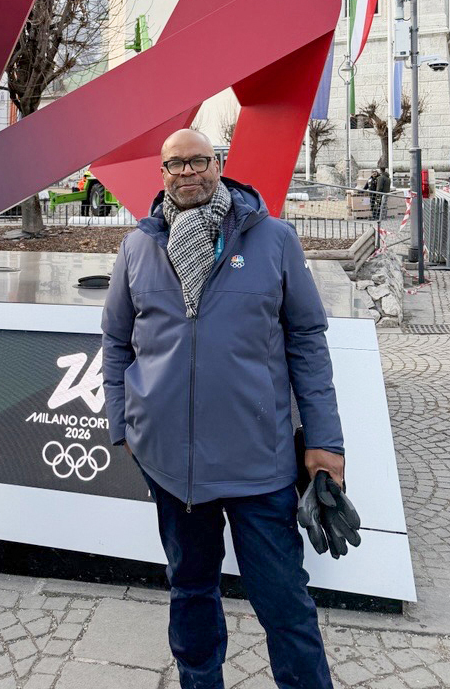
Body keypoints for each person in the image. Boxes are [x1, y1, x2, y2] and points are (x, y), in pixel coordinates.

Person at [102, 128, 344, 689]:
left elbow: (307, 339)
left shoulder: (273, 239)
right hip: (172, 468)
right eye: (173, 165)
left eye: (197, 161)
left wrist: (324, 443)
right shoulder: (138, 247)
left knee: (284, 602)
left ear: (219, 165)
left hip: (259, 464)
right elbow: (116, 341)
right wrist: (126, 422)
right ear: (161, 175)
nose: (185, 173)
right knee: (190, 594)